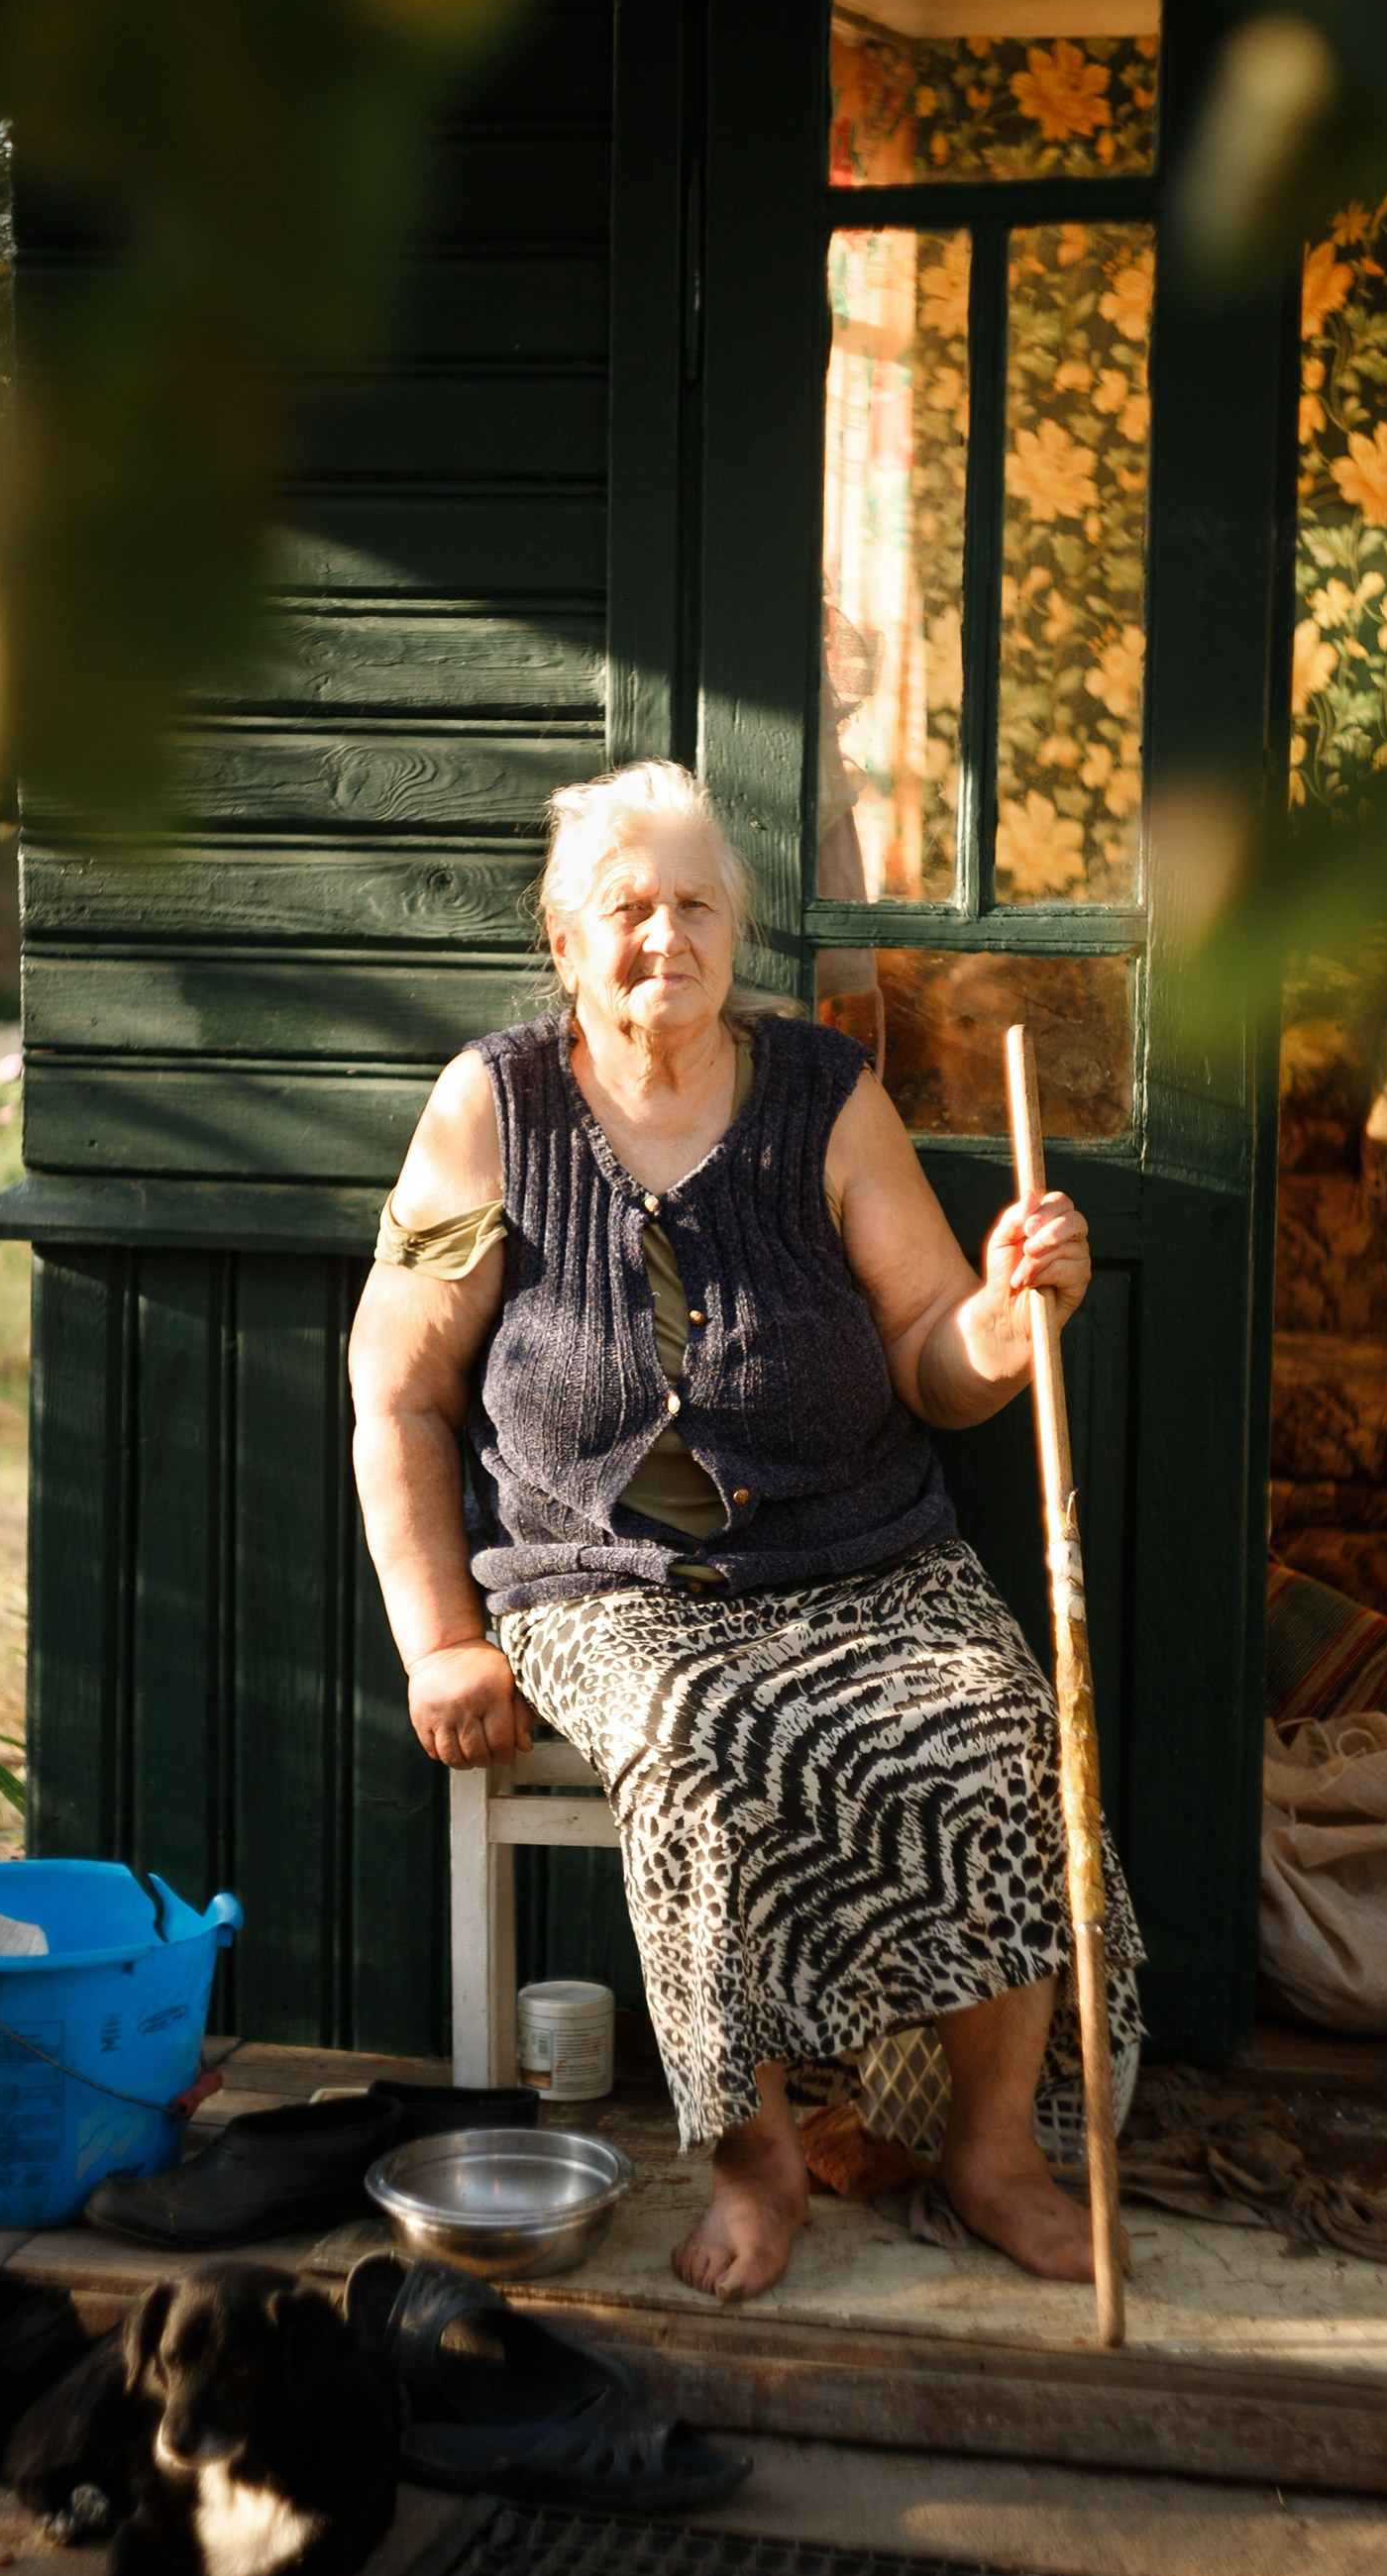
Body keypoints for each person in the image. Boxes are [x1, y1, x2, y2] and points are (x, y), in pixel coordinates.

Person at [348, 760, 1140, 2304]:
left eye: (696, 903)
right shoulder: (487, 1109)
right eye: (624, 909)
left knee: (998, 1729)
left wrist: (1009, 1309)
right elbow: (400, 1399)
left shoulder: (823, 1097)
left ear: (740, 931)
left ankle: (991, 2153)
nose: (666, 937)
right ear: (563, 944)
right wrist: (438, 1639)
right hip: (606, 1585)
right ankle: (755, 2153)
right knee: (699, 1748)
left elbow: (935, 1354)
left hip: (866, 1561)